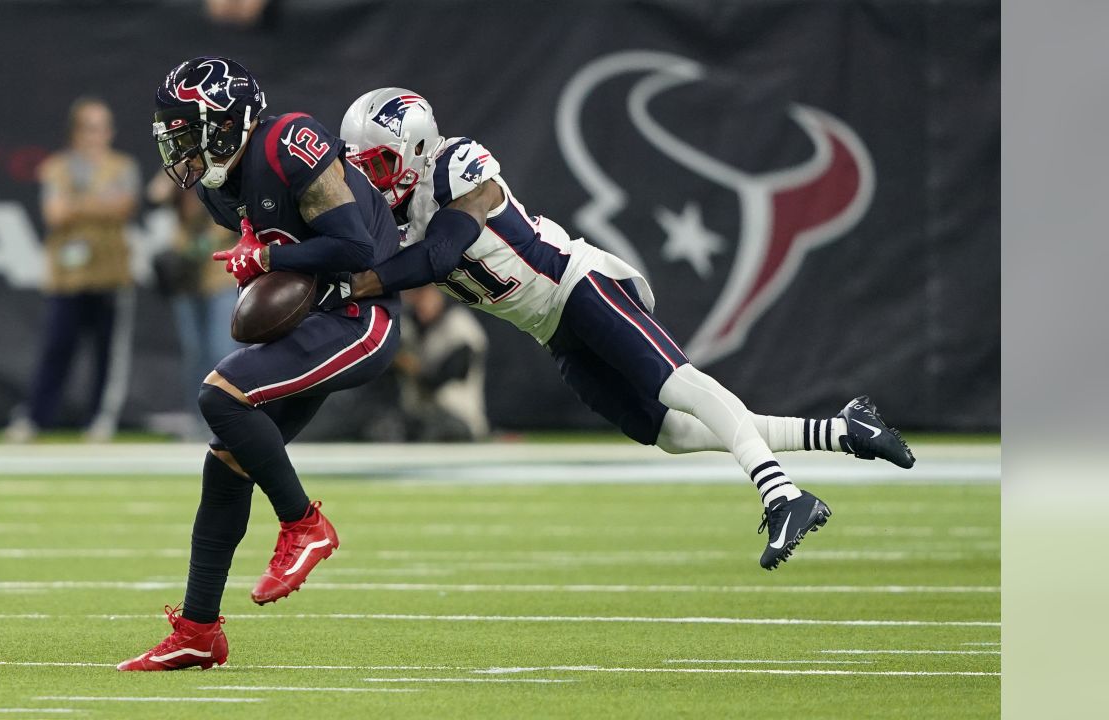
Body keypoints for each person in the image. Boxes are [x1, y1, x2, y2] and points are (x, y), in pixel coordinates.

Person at [335, 88, 916, 570]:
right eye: (361, 168)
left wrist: (352, 283)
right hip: (553, 332)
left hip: (576, 283)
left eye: (379, 165)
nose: (371, 180)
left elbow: (440, 255)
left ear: (413, 149)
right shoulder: (390, 216)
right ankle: (844, 431)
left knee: (678, 383)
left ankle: (782, 493)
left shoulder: (458, 164)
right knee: (670, 433)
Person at [118, 57, 403, 672]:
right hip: (318, 320)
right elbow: (288, 256)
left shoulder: (287, 141)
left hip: (361, 316)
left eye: (190, 132)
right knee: (226, 457)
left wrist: (267, 259)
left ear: (227, 123)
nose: (181, 148)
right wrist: (264, 259)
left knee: (220, 395)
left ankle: (305, 524)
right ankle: (198, 629)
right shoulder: (221, 191)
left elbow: (355, 248)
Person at [3, 97, 139, 443]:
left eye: (104, 126)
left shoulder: (122, 166)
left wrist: (77, 204)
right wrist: (98, 203)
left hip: (110, 273)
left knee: (107, 352)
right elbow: (54, 214)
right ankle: (36, 417)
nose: (99, 134)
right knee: (56, 348)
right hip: (68, 276)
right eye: (91, 127)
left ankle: (100, 418)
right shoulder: (57, 167)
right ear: (76, 131)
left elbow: (122, 207)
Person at [147, 172, 241, 440]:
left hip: (220, 272)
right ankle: (199, 419)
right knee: (195, 353)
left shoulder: (227, 166)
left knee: (222, 350)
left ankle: (231, 416)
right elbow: (156, 194)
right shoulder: (185, 168)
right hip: (186, 276)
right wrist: (184, 169)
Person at [394, 285, 489, 441]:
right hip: (421, 416)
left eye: (424, 295)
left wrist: (411, 367)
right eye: (416, 297)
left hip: (459, 417)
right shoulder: (412, 325)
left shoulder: (459, 324)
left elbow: (445, 376)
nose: (420, 303)